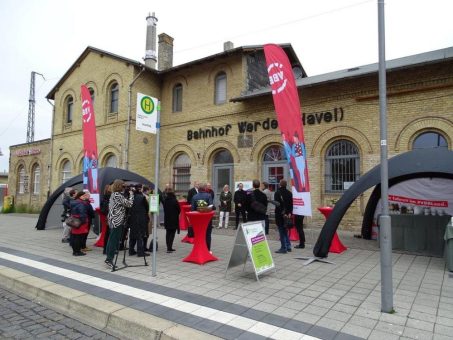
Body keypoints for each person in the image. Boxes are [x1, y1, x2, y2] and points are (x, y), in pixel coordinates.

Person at [104, 179, 134, 269]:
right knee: (113, 240)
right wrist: (132, 195)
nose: (124, 188)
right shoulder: (117, 195)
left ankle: (109, 258)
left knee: (112, 239)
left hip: (114, 220)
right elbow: (129, 204)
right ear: (119, 186)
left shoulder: (115, 194)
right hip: (116, 221)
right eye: (123, 186)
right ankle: (109, 259)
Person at [69, 191, 95, 256]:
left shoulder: (74, 202)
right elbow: (82, 214)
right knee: (78, 237)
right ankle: (77, 252)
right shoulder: (81, 204)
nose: (85, 197)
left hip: (74, 221)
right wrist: (83, 222)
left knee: (75, 236)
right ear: (80, 196)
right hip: (80, 222)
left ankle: (75, 251)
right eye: (83, 196)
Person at [127, 184, 150, 257]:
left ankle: (131, 250)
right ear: (140, 190)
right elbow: (147, 208)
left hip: (132, 218)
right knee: (140, 235)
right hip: (141, 218)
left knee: (133, 234)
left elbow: (128, 208)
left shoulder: (131, 198)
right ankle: (140, 252)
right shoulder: (142, 198)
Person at [191, 183, 214, 251]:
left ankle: (199, 249)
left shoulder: (194, 197)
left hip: (197, 219)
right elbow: (211, 206)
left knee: (198, 234)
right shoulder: (208, 195)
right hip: (206, 219)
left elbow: (192, 209)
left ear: (198, 189)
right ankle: (207, 249)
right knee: (207, 234)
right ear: (204, 189)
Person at [274, 179, 293, 254]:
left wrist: (283, 213)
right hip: (287, 215)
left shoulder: (277, 193)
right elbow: (291, 204)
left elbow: (278, 205)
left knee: (281, 231)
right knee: (285, 231)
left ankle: (283, 248)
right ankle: (288, 246)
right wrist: (289, 213)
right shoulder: (289, 193)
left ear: (280, 184)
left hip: (280, 215)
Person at [163, 187, 180, 253]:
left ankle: (168, 247)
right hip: (174, 219)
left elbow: (164, 209)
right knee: (172, 233)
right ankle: (169, 248)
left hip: (167, 218)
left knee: (168, 233)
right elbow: (179, 209)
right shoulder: (174, 200)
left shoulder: (165, 200)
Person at [99, 184, 111, 255]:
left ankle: (105, 249)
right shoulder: (109, 196)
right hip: (109, 216)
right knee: (109, 233)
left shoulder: (103, 196)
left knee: (107, 232)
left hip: (106, 216)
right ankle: (107, 249)